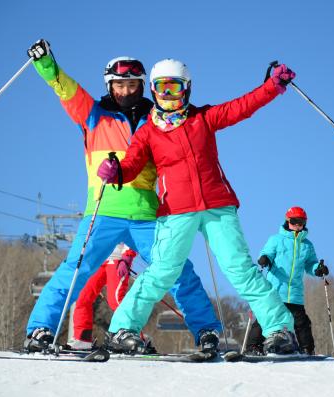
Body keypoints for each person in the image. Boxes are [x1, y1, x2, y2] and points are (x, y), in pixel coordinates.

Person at [23, 40, 221, 353]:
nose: (126, 91)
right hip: (104, 211)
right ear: (109, 86)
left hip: (146, 213)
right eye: (119, 85)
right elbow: (64, 88)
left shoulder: (160, 120)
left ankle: (207, 332)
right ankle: (41, 330)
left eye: (131, 84)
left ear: (143, 86)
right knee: (76, 269)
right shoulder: (93, 115)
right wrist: (45, 62)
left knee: (178, 269)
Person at [97, 58, 300, 355]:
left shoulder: (203, 118)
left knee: (240, 269)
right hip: (176, 210)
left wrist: (272, 87)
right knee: (163, 271)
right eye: (162, 88)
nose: (168, 94)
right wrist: (116, 171)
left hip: (217, 205)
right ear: (153, 91)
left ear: (187, 89)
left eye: (174, 87)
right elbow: (131, 165)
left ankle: (279, 330)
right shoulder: (148, 132)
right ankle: (123, 329)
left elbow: (241, 107)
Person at [245, 206, 329, 355]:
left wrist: (318, 268)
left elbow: (310, 264)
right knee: (265, 318)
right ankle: (253, 347)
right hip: (275, 290)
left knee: (302, 322)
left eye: (301, 222)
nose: (297, 225)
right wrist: (265, 259)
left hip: (295, 293)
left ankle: (307, 349)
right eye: (294, 221)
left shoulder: (307, 245)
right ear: (287, 221)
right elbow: (267, 253)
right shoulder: (276, 239)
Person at [67, 244, 135, 350]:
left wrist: (127, 257)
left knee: (116, 300)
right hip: (98, 260)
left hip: (117, 259)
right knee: (83, 298)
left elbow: (131, 233)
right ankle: (82, 338)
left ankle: (131, 337)